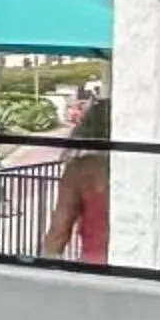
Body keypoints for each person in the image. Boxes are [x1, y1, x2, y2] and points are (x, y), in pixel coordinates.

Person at [40, 96, 111, 263]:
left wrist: (43, 267)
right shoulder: (135, 167)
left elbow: (59, 230)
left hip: (94, 266)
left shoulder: (79, 170)